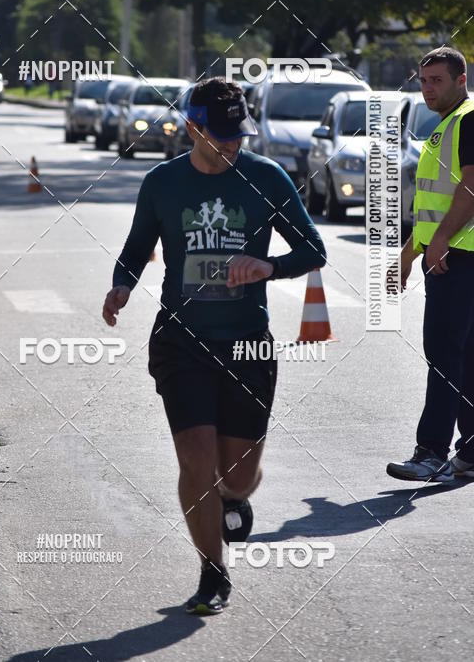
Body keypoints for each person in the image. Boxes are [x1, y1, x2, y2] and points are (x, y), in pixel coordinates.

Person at [102, 77, 326, 614]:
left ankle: (232, 498)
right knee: (194, 457)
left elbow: (313, 250)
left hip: (248, 345)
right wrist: (121, 285)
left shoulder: (267, 179)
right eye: (221, 136)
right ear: (192, 128)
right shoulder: (162, 183)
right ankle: (212, 571)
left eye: (238, 135)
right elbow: (136, 248)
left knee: (238, 475)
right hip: (182, 342)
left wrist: (267, 266)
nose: (232, 145)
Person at [387, 46, 474, 483]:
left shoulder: (467, 120)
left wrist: (438, 242)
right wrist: (407, 255)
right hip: (453, 256)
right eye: (423, 81)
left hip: (458, 260)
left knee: (443, 355)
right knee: (464, 357)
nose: (427, 90)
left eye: (437, 80)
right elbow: (432, 204)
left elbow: (472, 188)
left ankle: (430, 453)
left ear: (462, 80)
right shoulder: (449, 124)